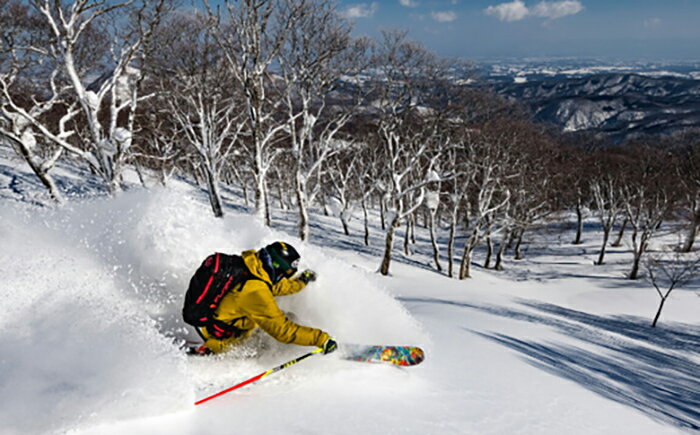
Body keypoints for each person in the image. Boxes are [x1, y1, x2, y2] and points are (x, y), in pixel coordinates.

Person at [188, 241, 337, 356]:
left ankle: (304, 340)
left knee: (287, 317)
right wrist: (320, 339)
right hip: (227, 340)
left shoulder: (252, 268)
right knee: (284, 326)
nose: (282, 278)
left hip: (220, 324)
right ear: (277, 267)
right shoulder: (254, 291)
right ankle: (294, 349)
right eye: (283, 274)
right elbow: (283, 331)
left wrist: (301, 281)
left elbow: (276, 287)